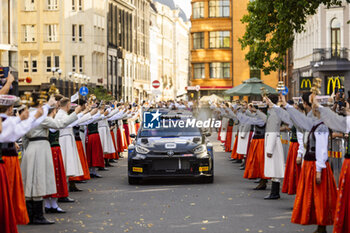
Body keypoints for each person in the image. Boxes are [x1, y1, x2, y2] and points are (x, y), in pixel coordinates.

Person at [21, 94, 81, 224]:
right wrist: (75, 113)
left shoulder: (27, 117)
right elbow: (59, 124)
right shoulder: (40, 118)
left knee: (30, 182)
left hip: (31, 147)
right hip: (41, 146)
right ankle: (38, 216)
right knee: (39, 180)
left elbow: (24, 138)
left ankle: (31, 214)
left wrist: (29, 148)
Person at [284, 93, 337, 233]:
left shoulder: (321, 126)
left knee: (319, 197)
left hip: (316, 164)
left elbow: (322, 150)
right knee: (312, 196)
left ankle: (322, 225)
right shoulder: (313, 123)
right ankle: (319, 224)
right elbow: (298, 122)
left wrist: (319, 169)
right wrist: (286, 106)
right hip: (310, 163)